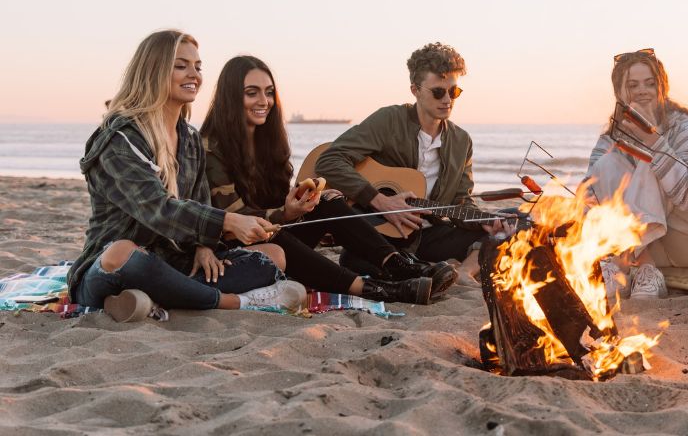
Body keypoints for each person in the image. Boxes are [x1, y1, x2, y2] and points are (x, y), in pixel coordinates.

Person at [67, 31, 307, 322]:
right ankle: (232, 302)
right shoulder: (119, 139)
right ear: (154, 71)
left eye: (197, 66)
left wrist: (204, 246)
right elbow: (156, 209)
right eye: (181, 66)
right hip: (114, 266)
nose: (194, 74)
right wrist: (229, 221)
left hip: (174, 263)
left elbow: (200, 200)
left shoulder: (190, 138)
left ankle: (153, 298)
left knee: (274, 255)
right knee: (122, 253)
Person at [200, 55, 457, 304]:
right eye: (252, 92)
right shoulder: (213, 147)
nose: (264, 100)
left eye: (269, 92)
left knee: (328, 203)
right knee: (274, 234)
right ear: (231, 96)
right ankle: (372, 288)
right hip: (239, 250)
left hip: (277, 234)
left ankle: (399, 265)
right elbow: (235, 217)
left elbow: (277, 204)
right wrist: (285, 213)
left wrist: (304, 204)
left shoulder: (267, 143)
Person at [315, 43, 505, 283]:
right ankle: (419, 268)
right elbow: (329, 160)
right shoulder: (389, 121)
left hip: (430, 235)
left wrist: (483, 222)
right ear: (415, 90)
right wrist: (380, 200)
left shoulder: (461, 141)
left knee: (504, 229)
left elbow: (461, 202)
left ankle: (464, 274)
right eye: (438, 92)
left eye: (454, 92)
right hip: (382, 233)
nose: (447, 100)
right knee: (355, 263)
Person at [585, 48, 688, 299]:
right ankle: (647, 268)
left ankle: (622, 265)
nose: (642, 90)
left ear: (662, 87)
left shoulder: (686, 128)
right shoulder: (611, 137)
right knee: (606, 165)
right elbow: (588, 194)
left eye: (650, 83)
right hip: (651, 246)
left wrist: (655, 142)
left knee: (650, 160)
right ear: (619, 92)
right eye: (633, 84)